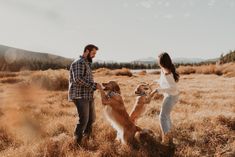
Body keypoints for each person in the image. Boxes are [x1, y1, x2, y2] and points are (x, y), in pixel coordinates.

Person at [68, 44, 99, 144]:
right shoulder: (79, 62)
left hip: (88, 95)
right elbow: (78, 79)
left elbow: (85, 79)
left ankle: (86, 140)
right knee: (84, 120)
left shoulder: (86, 63)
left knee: (91, 119)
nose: (94, 55)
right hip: (80, 96)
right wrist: (93, 85)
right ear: (86, 51)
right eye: (93, 53)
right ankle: (77, 143)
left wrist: (95, 85)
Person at [153, 52, 179, 145]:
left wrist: (158, 90)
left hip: (171, 97)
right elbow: (163, 81)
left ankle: (166, 141)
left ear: (162, 62)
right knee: (166, 116)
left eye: (158, 60)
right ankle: (170, 138)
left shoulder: (167, 72)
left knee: (162, 117)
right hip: (173, 96)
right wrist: (155, 81)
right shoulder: (165, 69)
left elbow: (173, 87)